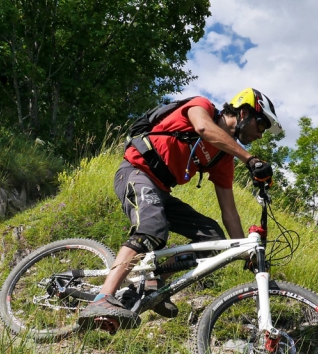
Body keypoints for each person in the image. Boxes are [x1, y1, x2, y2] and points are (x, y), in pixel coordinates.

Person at [78, 88, 283, 329]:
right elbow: (204, 128)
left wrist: (246, 251)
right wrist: (250, 160)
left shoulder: (223, 159)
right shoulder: (201, 106)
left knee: (213, 238)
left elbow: (229, 213)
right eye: (261, 125)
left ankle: (154, 283)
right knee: (151, 228)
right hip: (136, 172)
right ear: (244, 112)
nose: (261, 134)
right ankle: (102, 298)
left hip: (162, 190)